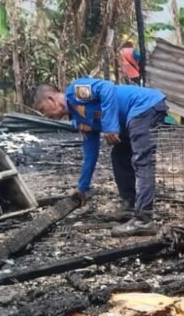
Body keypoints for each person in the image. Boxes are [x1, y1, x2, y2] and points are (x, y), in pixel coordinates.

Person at [30, 79, 168, 236]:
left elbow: (106, 88)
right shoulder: (79, 119)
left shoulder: (75, 92)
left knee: (142, 161)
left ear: (51, 99)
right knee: (119, 156)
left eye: (43, 110)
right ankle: (129, 207)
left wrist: (109, 126)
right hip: (132, 118)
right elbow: (90, 154)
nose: (46, 116)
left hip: (143, 106)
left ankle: (144, 220)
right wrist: (82, 188)